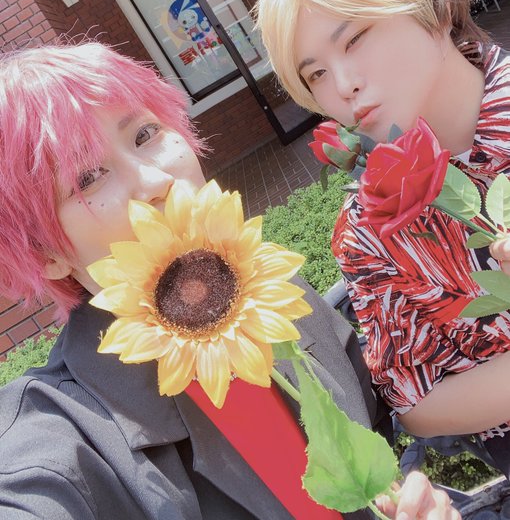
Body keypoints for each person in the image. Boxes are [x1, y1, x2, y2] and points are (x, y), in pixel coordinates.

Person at [0, 42, 456, 519]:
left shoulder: (266, 288)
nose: (155, 180)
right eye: (88, 177)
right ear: (45, 253)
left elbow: (376, 426)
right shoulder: (60, 445)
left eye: (145, 134)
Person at [255, 0, 510, 477]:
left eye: (355, 38)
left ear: (433, 4)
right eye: (315, 74)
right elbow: (412, 398)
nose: (342, 84)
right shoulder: (369, 227)